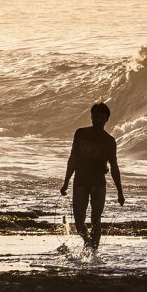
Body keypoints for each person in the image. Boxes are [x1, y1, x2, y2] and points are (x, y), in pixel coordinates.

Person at [60, 102, 124, 248]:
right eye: (95, 116)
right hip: (80, 181)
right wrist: (66, 182)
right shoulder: (80, 134)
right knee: (79, 222)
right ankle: (88, 243)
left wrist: (120, 192)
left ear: (106, 119)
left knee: (96, 219)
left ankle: (92, 252)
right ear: (91, 117)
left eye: (101, 117)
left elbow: (114, 167)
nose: (98, 120)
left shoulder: (109, 141)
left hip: (99, 183)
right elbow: (73, 158)